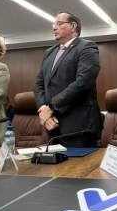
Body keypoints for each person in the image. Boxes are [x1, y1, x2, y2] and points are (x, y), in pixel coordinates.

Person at [34, 12, 102, 148]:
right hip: (52, 125)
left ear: (73, 26)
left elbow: (82, 83)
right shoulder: (49, 52)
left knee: (79, 169)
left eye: (59, 24)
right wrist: (43, 110)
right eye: (53, 24)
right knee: (54, 168)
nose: (54, 27)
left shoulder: (87, 47)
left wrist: (51, 107)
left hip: (78, 127)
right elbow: (39, 83)